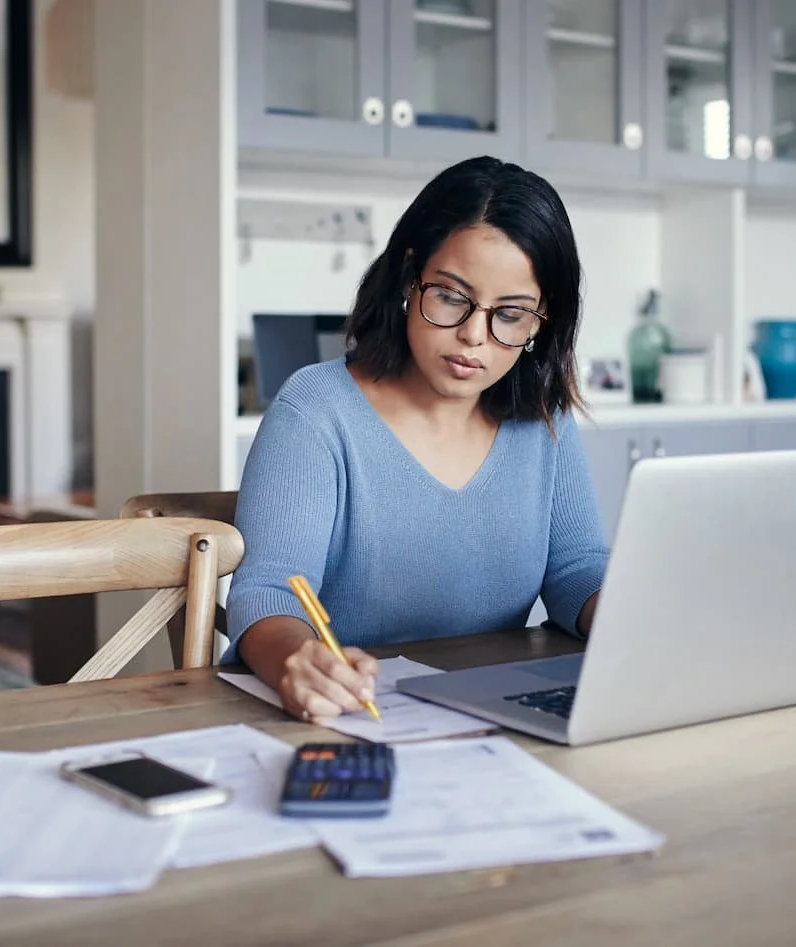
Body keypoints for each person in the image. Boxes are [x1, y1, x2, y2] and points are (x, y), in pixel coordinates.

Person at [223, 156, 609, 723]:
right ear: (410, 277)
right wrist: (296, 663)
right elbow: (270, 591)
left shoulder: (542, 418)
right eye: (452, 297)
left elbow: (575, 570)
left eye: (512, 313)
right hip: (351, 718)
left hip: (495, 716)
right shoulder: (317, 410)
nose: (474, 336)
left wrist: (640, 620)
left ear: (542, 319)